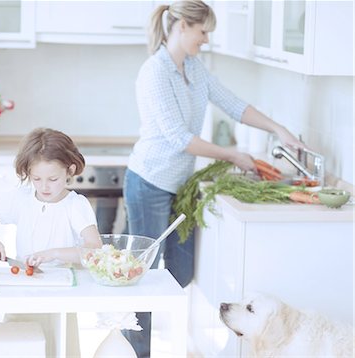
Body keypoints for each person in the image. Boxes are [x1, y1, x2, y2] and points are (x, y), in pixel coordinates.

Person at [122, 1, 305, 357]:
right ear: (183, 27)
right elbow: (179, 137)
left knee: (180, 271)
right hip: (148, 183)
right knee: (141, 277)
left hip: (181, 187)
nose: (206, 40)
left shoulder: (193, 68)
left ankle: (162, 342)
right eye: (203, 31)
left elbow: (234, 104)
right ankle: (135, 352)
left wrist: (279, 130)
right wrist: (235, 155)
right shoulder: (154, 72)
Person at [0, 127, 102, 356]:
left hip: (61, 295)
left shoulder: (75, 205)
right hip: (23, 291)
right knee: (18, 346)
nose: (44, 187)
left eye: (53, 179)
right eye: (36, 179)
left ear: (69, 170)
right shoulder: (20, 198)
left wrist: (54, 253)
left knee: (58, 348)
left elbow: (94, 248)